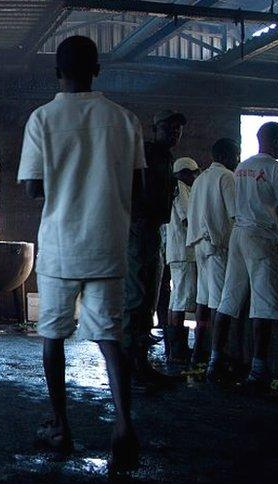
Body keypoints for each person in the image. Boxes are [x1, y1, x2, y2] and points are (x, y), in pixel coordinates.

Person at [17, 35, 145, 472]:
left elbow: (33, 186)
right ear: (98, 70)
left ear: (57, 72)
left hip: (60, 247)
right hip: (108, 245)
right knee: (111, 340)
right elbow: (140, 188)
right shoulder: (125, 120)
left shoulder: (42, 119)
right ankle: (125, 424)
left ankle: (60, 427)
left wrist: (65, 178)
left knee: (53, 339)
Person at [207, 122, 278, 388]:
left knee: (228, 299)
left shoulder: (242, 166)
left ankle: (214, 361)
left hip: (239, 235)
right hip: (262, 237)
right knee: (263, 303)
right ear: (275, 140)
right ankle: (258, 369)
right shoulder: (277, 169)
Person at [122, 109, 186, 382]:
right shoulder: (146, 154)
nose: (174, 133)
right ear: (155, 128)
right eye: (168, 128)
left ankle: (140, 363)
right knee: (137, 296)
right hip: (139, 229)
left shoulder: (164, 157)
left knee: (149, 295)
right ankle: (129, 367)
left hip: (152, 230)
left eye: (177, 129)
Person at [186, 138, 241, 366]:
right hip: (217, 244)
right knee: (220, 302)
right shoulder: (226, 177)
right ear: (230, 156)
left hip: (199, 243)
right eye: (237, 157)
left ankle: (199, 350)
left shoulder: (200, 179)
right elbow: (235, 214)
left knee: (203, 299)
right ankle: (216, 356)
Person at [163, 157, 201, 367]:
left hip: (176, 251)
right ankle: (177, 350)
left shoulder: (173, 187)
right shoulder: (180, 188)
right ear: (187, 173)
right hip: (184, 251)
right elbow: (188, 218)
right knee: (179, 300)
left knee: (175, 299)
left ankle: (174, 348)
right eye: (194, 174)